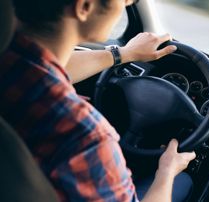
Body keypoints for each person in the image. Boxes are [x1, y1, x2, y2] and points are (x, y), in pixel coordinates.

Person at [0, 0, 196, 201]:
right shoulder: (85, 136)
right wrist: (167, 171)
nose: (128, 3)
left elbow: (47, 67)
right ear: (84, 6)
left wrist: (124, 53)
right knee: (183, 181)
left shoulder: (10, 59)